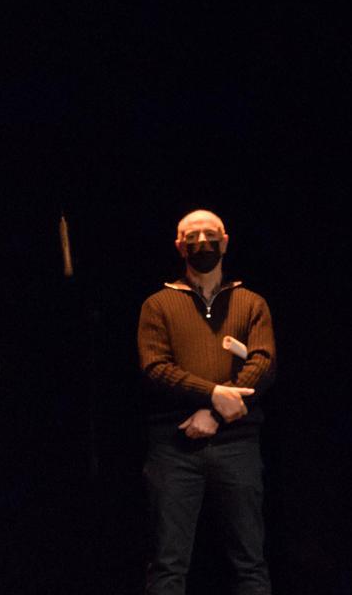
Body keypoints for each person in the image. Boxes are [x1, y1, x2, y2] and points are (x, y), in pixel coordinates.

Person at [136, 208, 276, 595]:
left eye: (210, 234)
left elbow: (263, 364)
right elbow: (155, 367)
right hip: (173, 444)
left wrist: (214, 412)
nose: (202, 241)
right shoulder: (158, 304)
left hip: (237, 442)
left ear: (225, 242)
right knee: (167, 563)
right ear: (180, 246)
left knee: (249, 561)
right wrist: (213, 393)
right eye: (192, 236)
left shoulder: (251, 303)